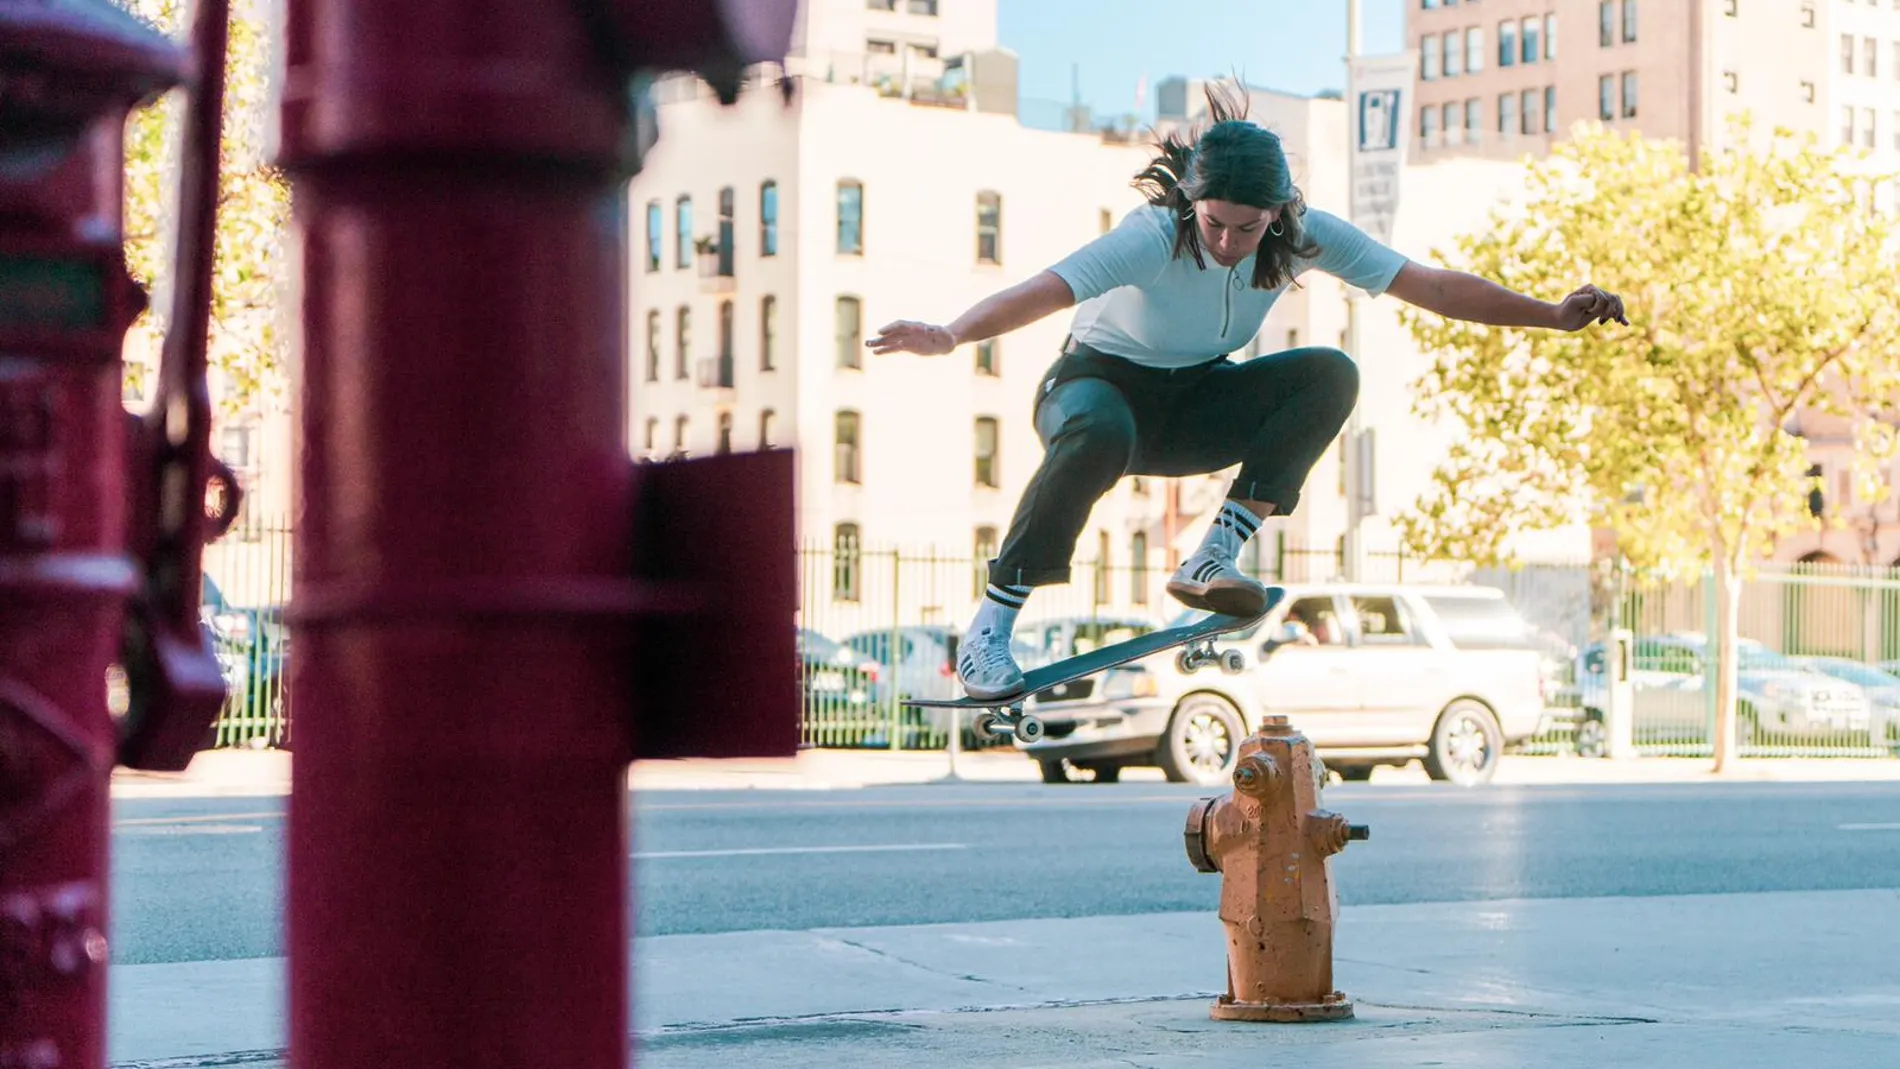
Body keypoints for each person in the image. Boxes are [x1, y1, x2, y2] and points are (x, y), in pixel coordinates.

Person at [867, 85, 1627, 701]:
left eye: (1248, 227)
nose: (1227, 242)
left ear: (1278, 211)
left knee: (1330, 372)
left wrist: (1551, 316)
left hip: (1195, 404)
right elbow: (1047, 288)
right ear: (1192, 202)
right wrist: (953, 333)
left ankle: (1212, 556)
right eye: (1215, 223)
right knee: (1099, 431)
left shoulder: (1305, 234)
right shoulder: (1151, 232)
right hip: (1093, 389)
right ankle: (991, 629)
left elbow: (1428, 284)